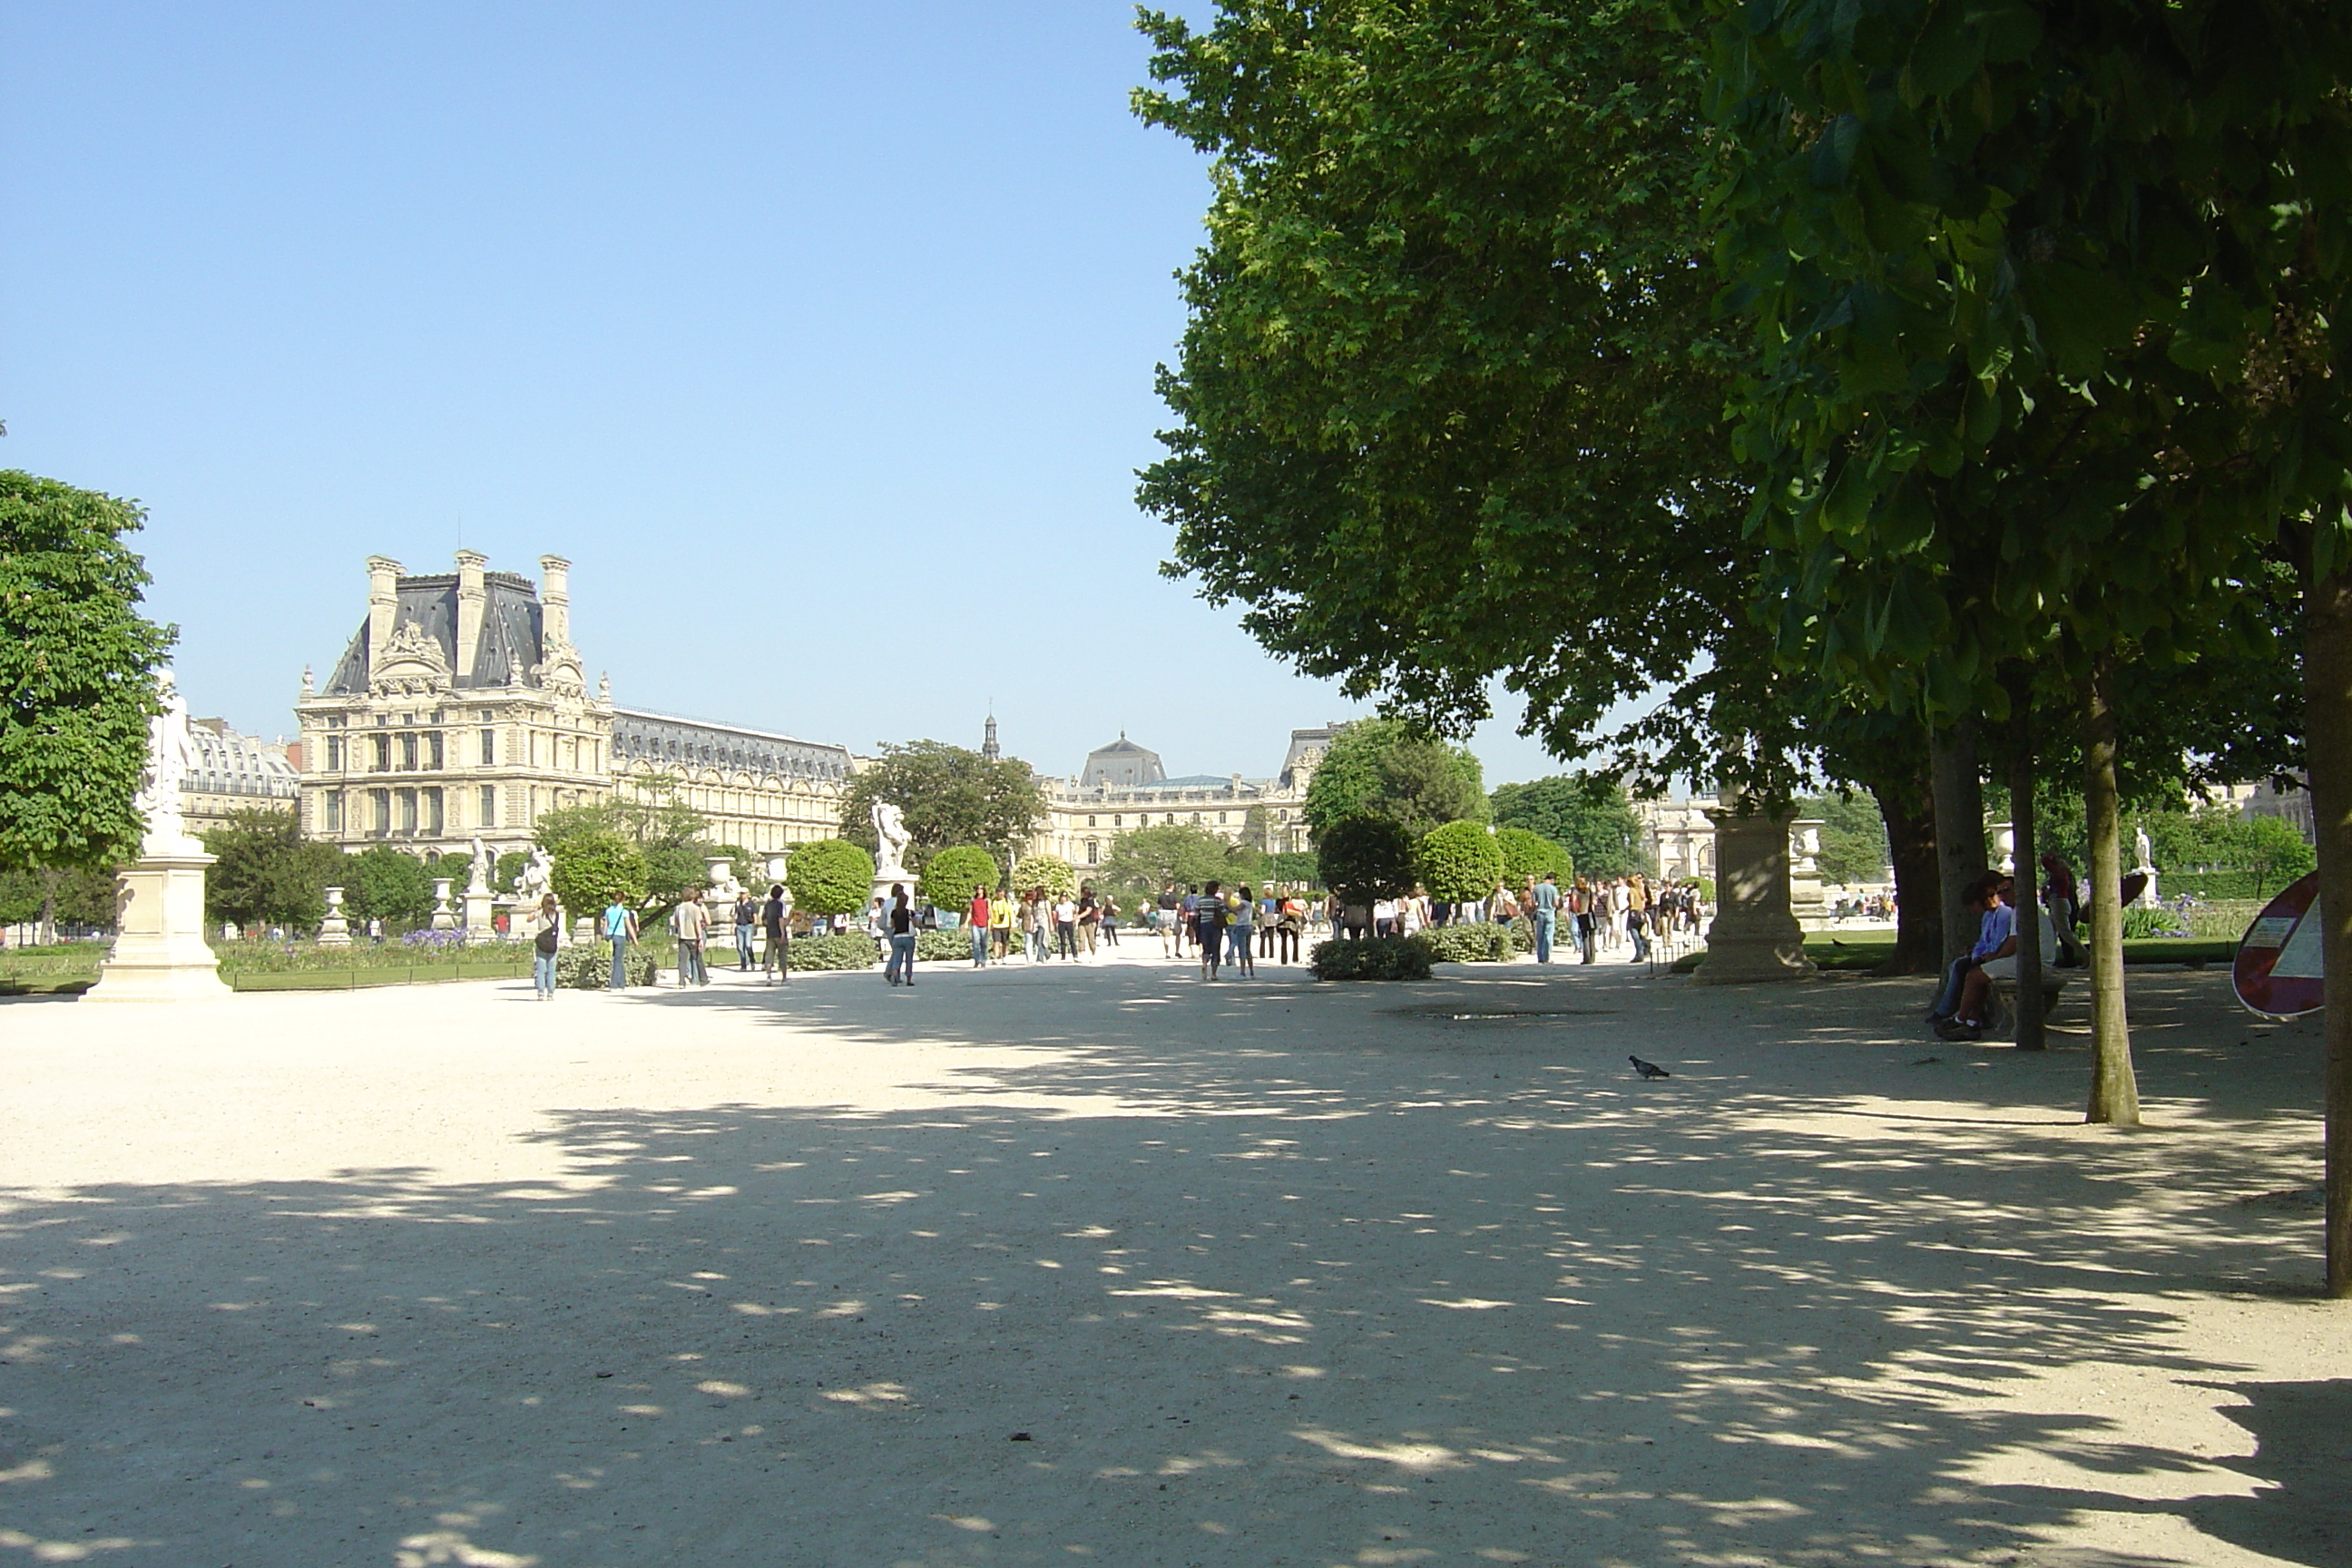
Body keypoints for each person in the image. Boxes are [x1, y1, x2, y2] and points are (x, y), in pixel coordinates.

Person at [1927, 874, 2014, 1035]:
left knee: (1969, 971)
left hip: (1998, 956)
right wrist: (1976, 954)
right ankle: (1968, 1016)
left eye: (1993, 895)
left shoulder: (2005, 914)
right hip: (1989, 955)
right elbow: (1983, 941)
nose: (1990, 900)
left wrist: (1983, 956)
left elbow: (2000, 941)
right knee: (1963, 967)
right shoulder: (1989, 915)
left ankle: (1959, 1015)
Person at [671, 888, 709, 987]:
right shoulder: (695, 908)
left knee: (682, 960)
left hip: (682, 936)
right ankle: (703, 979)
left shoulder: (678, 908)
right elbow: (697, 924)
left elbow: (676, 923)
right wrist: (700, 937)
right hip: (693, 936)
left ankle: (681, 981)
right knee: (697, 958)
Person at [884, 885, 918, 985]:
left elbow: (892, 924)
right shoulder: (909, 912)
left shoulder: (894, 913)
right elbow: (916, 924)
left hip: (897, 937)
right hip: (908, 937)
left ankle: (894, 976)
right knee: (909, 959)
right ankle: (908, 979)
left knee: (897, 959)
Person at [602, 896, 639, 991]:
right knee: (618, 961)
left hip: (611, 935)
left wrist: (604, 936)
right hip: (620, 936)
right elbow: (629, 927)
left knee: (618, 959)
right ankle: (614, 984)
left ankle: (621, 983)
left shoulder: (609, 910)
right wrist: (635, 939)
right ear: (623, 899)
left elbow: (606, 925)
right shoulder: (624, 912)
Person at [530, 893, 562, 999]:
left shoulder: (540, 913)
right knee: (551, 970)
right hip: (552, 943)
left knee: (541, 969)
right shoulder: (556, 914)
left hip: (541, 943)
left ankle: (540, 993)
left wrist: (535, 909)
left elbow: (529, 919)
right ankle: (551, 993)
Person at [762, 883, 792, 983]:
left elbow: (764, 920)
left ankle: (769, 977)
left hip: (770, 932)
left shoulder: (767, 904)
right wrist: (783, 933)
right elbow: (781, 919)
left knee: (769, 955)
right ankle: (784, 977)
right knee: (782, 955)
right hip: (778, 932)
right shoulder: (781, 904)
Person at [1196, 879, 1226, 980]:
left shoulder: (1201, 900)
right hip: (1215, 926)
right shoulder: (1217, 900)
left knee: (1206, 947)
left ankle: (1204, 963)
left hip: (1204, 925)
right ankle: (1213, 974)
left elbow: (1196, 912)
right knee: (1216, 948)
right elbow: (1224, 912)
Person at [1531, 870, 1559, 964]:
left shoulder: (1536, 888)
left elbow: (1533, 903)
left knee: (1540, 936)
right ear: (1552, 879)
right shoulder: (1553, 889)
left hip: (1540, 912)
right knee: (1548, 936)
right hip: (1550, 913)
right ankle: (1547, 957)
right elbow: (1555, 903)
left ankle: (1540, 957)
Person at [1229, 885, 1256, 976]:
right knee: (1248, 949)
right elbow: (1238, 913)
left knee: (1242, 949)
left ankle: (1242, 972)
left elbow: (1235, 909)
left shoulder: (1243, 903)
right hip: (1248, 925)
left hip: (1241, 926)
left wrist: (1227, 905)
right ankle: (1251, 971)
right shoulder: (1250, 904)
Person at [733, 887, 758, 971]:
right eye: (741, 893)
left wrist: (756, 926)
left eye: (744, 893)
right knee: (740, 947)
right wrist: (732, 925)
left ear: (748, 894)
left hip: (748, 925)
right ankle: (743, 964)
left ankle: (752, 960)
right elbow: (735, 915)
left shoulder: (751, 904)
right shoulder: (737, 903)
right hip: (739, 926)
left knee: (748, 945)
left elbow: (755, 915)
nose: (742, 895)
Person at [968, 884, 993, 967]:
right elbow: (970, 912)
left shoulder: (986, 900)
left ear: (983, 890)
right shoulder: (973, 900)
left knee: (984, 943)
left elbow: (990, 911)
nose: (979, 890)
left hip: (984, 924)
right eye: (977, 888)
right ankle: (976, 960)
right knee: (975, 942)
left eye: (981, 888)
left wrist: (991, 923)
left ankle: (983, 960)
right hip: (975, 923)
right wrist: (965, 923)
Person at [1157, 882, 1181, 956]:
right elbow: (1177, 906)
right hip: (1173, 914)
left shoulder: (1161, 896)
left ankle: (1167, 953)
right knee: (1177, 933)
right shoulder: (1174, 896)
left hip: (1164, 914)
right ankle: (1177, 951)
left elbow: (1159, 906)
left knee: (1166, 935)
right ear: (1172, 887)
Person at [1054, 892, 1079, 959]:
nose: (1063, 899)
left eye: (1064, 897)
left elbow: (1075, 911)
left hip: (1069, 922)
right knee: (1062, 940)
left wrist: (1074, 918)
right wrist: (1055, 924)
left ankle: (1075, 954)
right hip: (1061, 922)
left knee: (1071, 939)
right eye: (1062, 897)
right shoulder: (1058, 906)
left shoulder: (1070, 904)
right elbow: (1056, 915)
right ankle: (1063, 955)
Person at [1077, 886, 1101, 954]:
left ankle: (1093, 952)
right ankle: (1082, 952)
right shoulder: (1082, 900)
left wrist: (1078, 917)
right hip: (1082, 922)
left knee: (1091, 939)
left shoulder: (1090, 900)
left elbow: (1088, 911)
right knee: (1081, 938)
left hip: (1090, 922)